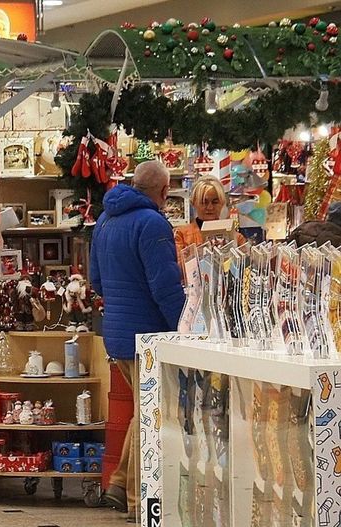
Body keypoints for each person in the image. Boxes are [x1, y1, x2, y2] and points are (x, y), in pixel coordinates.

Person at [89, 161, 185, 520]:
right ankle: (135, 501)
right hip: (149, 335)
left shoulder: (105, 220)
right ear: (164, 191)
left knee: (142, 410)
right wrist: (184, 328)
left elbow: (96, 280)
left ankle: (118, 483)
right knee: (149, 415)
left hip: (117, 333)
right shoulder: (153, 224)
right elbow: (165, 287)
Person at [173, 176, 245, 272]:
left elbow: (245, 269)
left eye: (215, 202)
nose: (210, 207)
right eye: (204, 202)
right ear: (193, 203)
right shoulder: (180, 235)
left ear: (222, 203)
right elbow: (177, 271)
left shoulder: (236, 238)